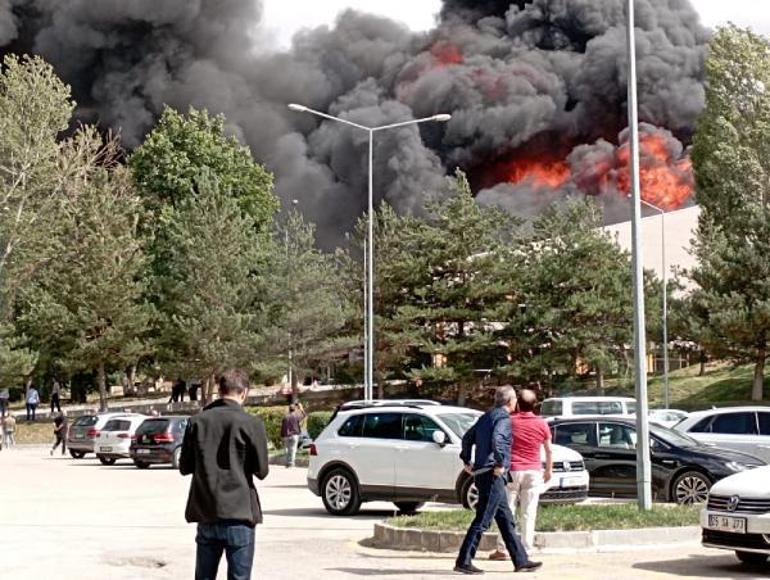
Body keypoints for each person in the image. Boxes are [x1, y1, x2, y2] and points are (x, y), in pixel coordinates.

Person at [179, 369, 269, 580]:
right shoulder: (251, 423)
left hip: (206, 512)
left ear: (219, 391)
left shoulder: (197, 422)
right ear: (244, 392)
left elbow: (185, 467)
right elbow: (262, 470)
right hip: (239, 513)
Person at [455, 386, 542, 575]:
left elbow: (468, 438)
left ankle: (521, 560)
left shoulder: (486, 417)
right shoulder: (503, 418)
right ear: (511, 401)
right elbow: (498, 439)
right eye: (514, 401)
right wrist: (501, 462)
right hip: (492, 474)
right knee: (483, 519)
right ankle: (464, 561)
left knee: (506, 520)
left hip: (484, 473)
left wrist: (466, 459)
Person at [489, 388, 553, 559]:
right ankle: (526, 548)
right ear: (534, 405)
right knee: (529, 512)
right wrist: (548, 470)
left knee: (507, 510)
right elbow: (548, 450)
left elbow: (499, 443)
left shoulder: (509, 421)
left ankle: (503, 549)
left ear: (518, 403)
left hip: (513, 470)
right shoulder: (542, 423)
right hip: (533, 470)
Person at [280, 402, 305, 468]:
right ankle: (291, 463)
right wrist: (301, 408)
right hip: (294, 435)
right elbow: (303, 415)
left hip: (286, 435)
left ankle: (287, 463)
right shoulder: (296, 416)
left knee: (287, 449)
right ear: (294, 409)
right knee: (293, 449)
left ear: (289, 409)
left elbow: (282, 427)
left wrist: (282, 435)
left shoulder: (285, 417)